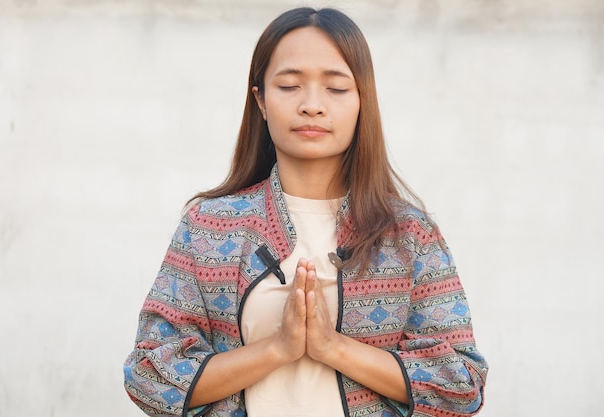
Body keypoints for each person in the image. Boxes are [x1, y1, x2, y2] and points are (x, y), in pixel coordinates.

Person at [123, 7, 488, 417]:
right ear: (260, 100)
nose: (312, 105)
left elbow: (461, 385)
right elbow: (149, 375)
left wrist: (333, 348)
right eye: (290, 86)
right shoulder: (208, 226)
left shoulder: (409, 235)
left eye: (336, 88)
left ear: (362, 101)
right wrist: (277, 348)